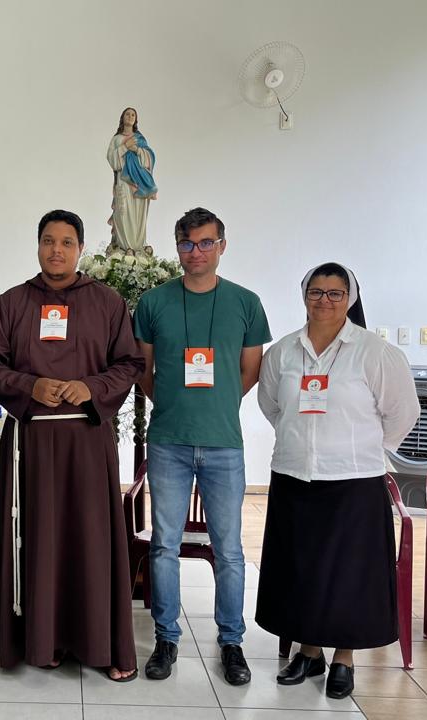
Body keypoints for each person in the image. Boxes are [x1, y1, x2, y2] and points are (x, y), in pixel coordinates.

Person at [0, 209, 145, 682]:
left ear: (80, 248)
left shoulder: (107, 302)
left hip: (86, 440)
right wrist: (30, 385)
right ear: (37, 246)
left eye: (66, 242)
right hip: (29, 442)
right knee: (37, 536)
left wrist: (91, 387)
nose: (56, 250)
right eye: (48, 241)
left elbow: (129, 363)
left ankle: (99, 643)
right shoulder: (12, 302)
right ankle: (43, 641)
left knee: (90, 539)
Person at [255, 262, 420, 699]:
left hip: (354, 482)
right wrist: (303, 441)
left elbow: (404, 413)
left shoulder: (374, 352)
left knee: (350, 574)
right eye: (316, 291)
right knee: (302, 571)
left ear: (350, 299)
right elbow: (272, 406)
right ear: (304, 295)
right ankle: (309, 653)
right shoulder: (284, 352)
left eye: (335, 293)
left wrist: (363, 448)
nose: (324, 300)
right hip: (295, 475)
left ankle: (344, 658)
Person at [133, 207, 270, 685]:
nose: (197, 252)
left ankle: (231, 641)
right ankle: (166, 639)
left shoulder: (246, 303)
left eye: (206, 243)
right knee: (164, 545)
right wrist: (172, 402)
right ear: (177, 248)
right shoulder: (152, 303)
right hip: (168, 441)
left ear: (222, 246)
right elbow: (143, 371)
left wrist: (215, 404)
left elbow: (250, 371)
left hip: (223, 446)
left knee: (229, 550)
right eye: (188, 244)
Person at [106, 107, 157, 253]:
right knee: (124, 212)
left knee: (138, 213)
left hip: (139, 182)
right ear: (122, 118)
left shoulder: (140, 139)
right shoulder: (116, 139)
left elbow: (149, 159)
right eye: (127, 114)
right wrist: (124, 147)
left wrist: (137, 150)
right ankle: (124, 246)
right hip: (124, 181)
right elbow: (112, 160)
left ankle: (138, 245)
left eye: (133, 114)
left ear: (136, 119)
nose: (130, 116)